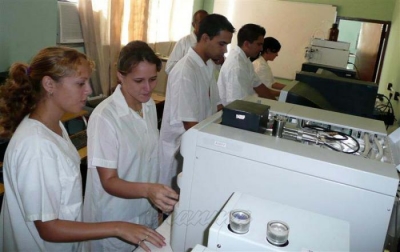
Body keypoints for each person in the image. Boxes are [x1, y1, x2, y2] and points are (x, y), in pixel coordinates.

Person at [0, 46, 165, 252]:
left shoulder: (54, 126)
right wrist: (117, 227)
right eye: (80, 83)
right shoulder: (36, 146)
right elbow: (48, 228)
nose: (88, 90)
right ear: (49, 84)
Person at [83, 41, 179, 251]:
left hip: (144, 210)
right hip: (115, 217)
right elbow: (108, 181)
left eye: (153, 79)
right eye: (138, 81)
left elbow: (149, 160)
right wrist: (149, 191)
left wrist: (155, 204)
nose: (147, 88)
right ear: (120, 76)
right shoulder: (105, 117)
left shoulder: (149, 106)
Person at [159, 14, 235, 188]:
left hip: (198, 143)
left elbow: (217, 106)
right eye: (221, 44)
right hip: (181, 150)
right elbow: (190, 125)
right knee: (176, 205)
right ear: (205, 38)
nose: (224, 50)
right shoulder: (186, 71)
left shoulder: (207, 65)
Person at [217, 24, 279, 106]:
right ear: (246, 44)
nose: (261, 49)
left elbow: (259, 86)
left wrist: (277, 106)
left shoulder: (245, 60)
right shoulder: (236, 66)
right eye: (259, 44)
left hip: (246, 106)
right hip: (236, 111)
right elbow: (237, 105)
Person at [165, 9, 208, 74]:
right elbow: (169, 67)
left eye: (207, 23)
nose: (205, 26)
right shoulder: (183, 42)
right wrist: (187, 69)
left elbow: (220, 65)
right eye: (201, 23)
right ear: (194, 24)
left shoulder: (211, 43)